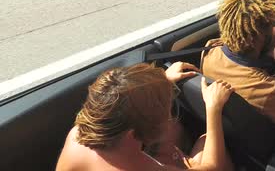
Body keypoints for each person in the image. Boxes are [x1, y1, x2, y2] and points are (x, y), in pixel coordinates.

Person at [56, 62, 234, 171]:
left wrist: (158, 85)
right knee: (210, 142)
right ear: (133, 135)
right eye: (166, 113)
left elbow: (122, 101)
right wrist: (213, 107)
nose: (169, 116)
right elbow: (212, 168)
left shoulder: (77, 135)